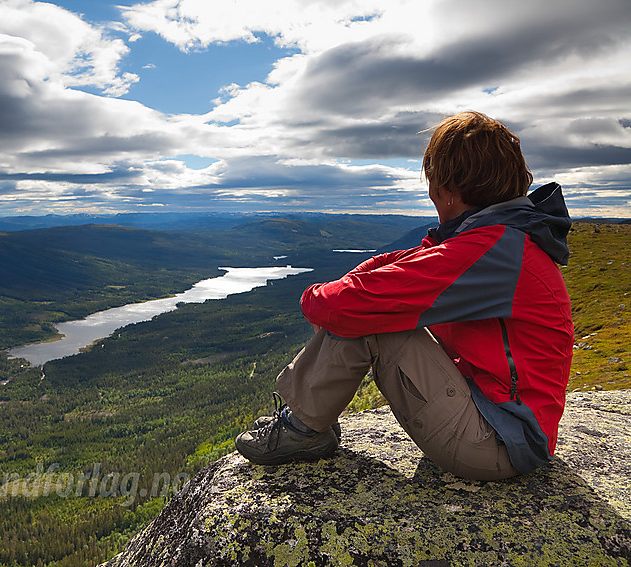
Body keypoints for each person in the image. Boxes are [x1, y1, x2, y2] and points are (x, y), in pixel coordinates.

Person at [235, 111, 574, 481]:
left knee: (371, 316)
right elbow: (403, 262)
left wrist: (316, 302)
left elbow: (357, 302)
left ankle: (301, 429)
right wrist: (342, 294)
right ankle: (307, 422)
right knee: (368, 305)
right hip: (504, 424)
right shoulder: (502, 242)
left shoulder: (495, 249)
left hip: (497, 440)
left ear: (446, 188)